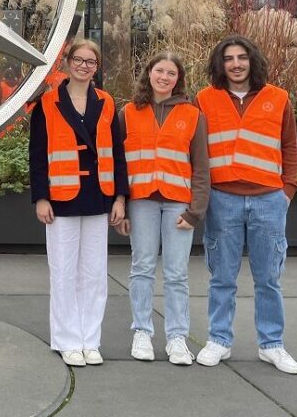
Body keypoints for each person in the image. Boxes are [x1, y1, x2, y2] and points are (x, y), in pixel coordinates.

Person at [194, 35, 297, 374]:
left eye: (241, 57)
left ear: (252, 61)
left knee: (269, 278)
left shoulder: (279, 98)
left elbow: (290, 147)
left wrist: (287, 190)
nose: (236, 64)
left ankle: (272, 345)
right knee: (222, 277)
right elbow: (196, 151)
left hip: (269, 199)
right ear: (220, 64)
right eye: (229, 59)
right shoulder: (204, 99)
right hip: (223, 199)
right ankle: (219, 340)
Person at [29, 39, 127, 367]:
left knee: (95, 274)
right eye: (79, 60)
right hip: (62, 196)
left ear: (97, 68)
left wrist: (120, 197)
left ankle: (90, 340)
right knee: (63, 272)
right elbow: (38, 154)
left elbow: (118, 151)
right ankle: (67, 340)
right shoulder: (48, 102)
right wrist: (41, 196)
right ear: (68, 62)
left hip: (99, 194)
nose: (84, 66)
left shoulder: (107, 102)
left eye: (91, 62)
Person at [118, 52, 209, 365]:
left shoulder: (193, 115)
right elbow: (118, 163)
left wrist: (196, 210)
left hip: (177, 204)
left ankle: (177, 337)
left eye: (171, 73)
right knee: (142, 267)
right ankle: (142, 331)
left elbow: (201, 167)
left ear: (178, 79)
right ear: (149, 73)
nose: (165, 77)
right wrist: (121, 204)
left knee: (176, 273)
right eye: (160, 71)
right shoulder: (128, 112)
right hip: (141, 200)